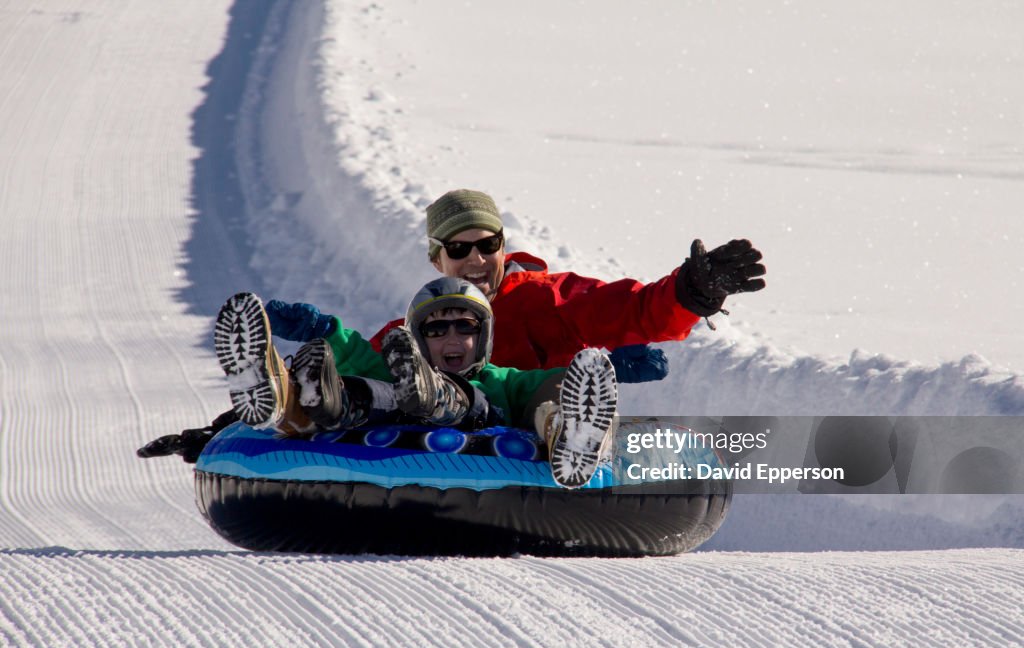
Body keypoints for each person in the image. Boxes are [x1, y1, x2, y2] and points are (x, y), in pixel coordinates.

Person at [139, 188, 765, 459]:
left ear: (503, 244)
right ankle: (272, 397)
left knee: (546, 393)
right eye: (458, 248)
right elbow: (360, 356)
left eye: (485, 244)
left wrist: (691, 291)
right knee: (350, 388)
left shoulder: (550, 298)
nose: (475, 259)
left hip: (526, 410)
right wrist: (225, 431)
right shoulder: (419, 325)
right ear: (436, 258)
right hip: (448, 416)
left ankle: (574, 427)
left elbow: (634, 310)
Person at [214, 278, 618, 488]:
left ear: (485, 336)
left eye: (466, 326)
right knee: (364, 393)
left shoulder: (501, 380)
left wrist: (568, 392)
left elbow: (543, 385)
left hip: (474, 417)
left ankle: (570, 435)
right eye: (437, 329)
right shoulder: (397, 371)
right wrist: (324, 330)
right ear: (419, 340)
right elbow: (359, 356)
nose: (453, 337)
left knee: (493, 400)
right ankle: (281, 398)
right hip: (401, 406)